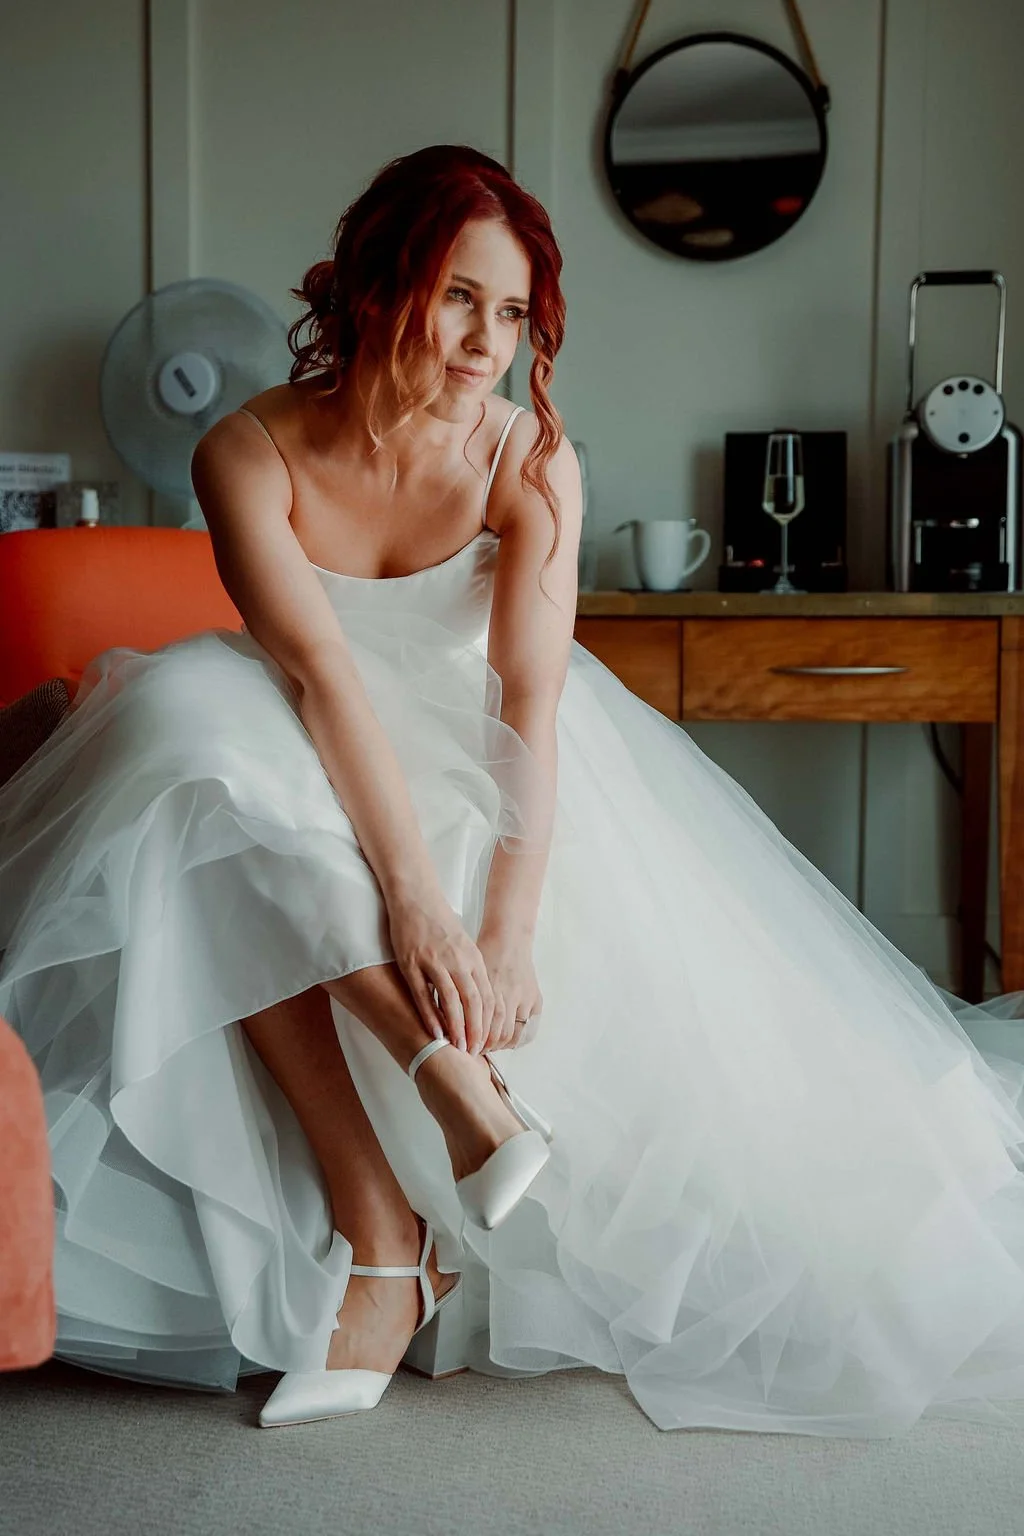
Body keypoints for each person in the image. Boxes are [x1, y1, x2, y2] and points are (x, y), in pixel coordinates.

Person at [4, 143, 1024, 1439]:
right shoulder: (245, 450)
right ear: (381, 284)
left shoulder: (528, 461)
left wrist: (499, 924)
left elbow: (529, 711)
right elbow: (317, 676)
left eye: (516, 312)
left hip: (478, 752)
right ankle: (422, 1146)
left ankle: (406, 1215)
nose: (491, 341)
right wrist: (415, 907)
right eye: (460, 298)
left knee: (221, 789)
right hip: (293, 727)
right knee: (194, 737)